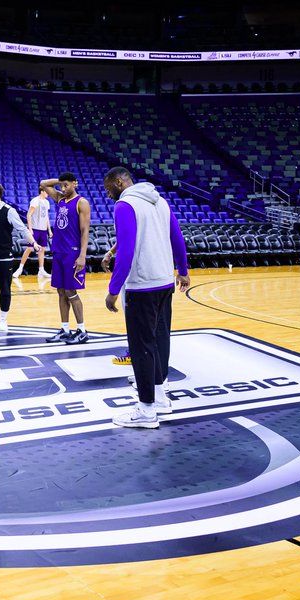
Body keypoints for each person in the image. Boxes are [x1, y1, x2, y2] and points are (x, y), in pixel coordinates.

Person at [103, 167, 189, 429]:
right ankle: (161, 397)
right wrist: (183, 271)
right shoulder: (159, 200)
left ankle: (146, 410)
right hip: (165, 282)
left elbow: (127, 251)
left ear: (119, 182)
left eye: (109, 189)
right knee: (160, 341)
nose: (108, 195)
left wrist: (113, 289)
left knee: (141, 348)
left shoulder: (125, 205)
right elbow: (177, 238)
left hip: (142, 287)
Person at [41, 173, 91, 344]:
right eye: (61, 186)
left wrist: (82, 256)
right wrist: (60, 180)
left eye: (66, 185)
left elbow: (85, 231)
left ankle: (82, 330)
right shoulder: (60, 198)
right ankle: (65, 329)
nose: (62, 189)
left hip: (73, 253)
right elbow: (43, 183)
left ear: (75, 184)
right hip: (58, 252)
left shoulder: (81, 203)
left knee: (71, 292)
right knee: (61, 291)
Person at [0, 182, 34, 333]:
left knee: (5, 290)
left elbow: (22, 229)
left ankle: (3, 319)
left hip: (4, 258)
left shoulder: (9, 211)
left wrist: (34, 243)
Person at [15, 184, 55, 282]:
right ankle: (19, 269)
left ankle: (41, 270)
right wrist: (30, 228)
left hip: (43, 229)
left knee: (42, 249)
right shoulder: (35, 201)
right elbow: (29, 214)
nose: (48, 194)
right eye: (47, 191)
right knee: (29, 248)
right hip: (35, 229)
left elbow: (46, 217)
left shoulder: (47, 202)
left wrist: (49, 230)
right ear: (42, 191)